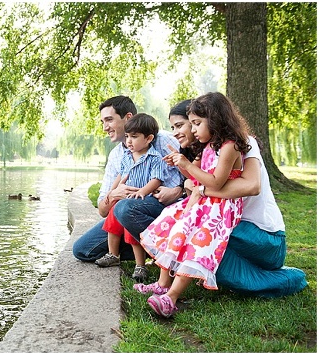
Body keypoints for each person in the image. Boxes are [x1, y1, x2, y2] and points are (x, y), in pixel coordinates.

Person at [136, 100, 307, 301]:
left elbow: (251, 186)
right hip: (235, 229)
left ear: (213, 120)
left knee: (202, 240)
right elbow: (193, 183)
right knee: (194, 240)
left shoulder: (242, 142)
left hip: (261, 234)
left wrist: (200, 189)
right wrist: (190, 180)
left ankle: (291, 278)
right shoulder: (207, 149)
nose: (178, 132)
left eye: (185, 124)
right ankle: (166, 286)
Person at [137, 92, 252, 317]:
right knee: (173, 224)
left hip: (221, 206)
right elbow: (196, 179)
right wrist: (181, 164)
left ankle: (171, 297)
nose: (194, 130)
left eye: (197, 124)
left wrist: (188, 166)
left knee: (197, 242)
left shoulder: (230, 146)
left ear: (216, 119)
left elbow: (216, 183)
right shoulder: (207, 146)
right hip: (203, 201)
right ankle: (162, 284)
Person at [72, 96, 184, 262]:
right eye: (102, 122)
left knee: (125, 208)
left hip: (165, 210)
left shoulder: (164, 140)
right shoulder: (117, 156)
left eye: (109, 120)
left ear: (128, 117)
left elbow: (196, 171)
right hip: (129, 212)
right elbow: (103, 210)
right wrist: (114, 194)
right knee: (82, 250)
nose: (105, 127)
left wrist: (178, 190)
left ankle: (170, 250)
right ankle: (151, 248)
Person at [94, 113, 168, 282]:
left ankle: (140, 264)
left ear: (149, 138)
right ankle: (113, 254)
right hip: (124, 198)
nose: (129, 141)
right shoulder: (127, 156)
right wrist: (110, 194)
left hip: (140, 200)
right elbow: (121, 175)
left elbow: (157, 179)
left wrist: (143, 191)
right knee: (112, 223)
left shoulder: (154, 158)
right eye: (127, 136)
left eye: (134, 137)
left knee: (130, 230)